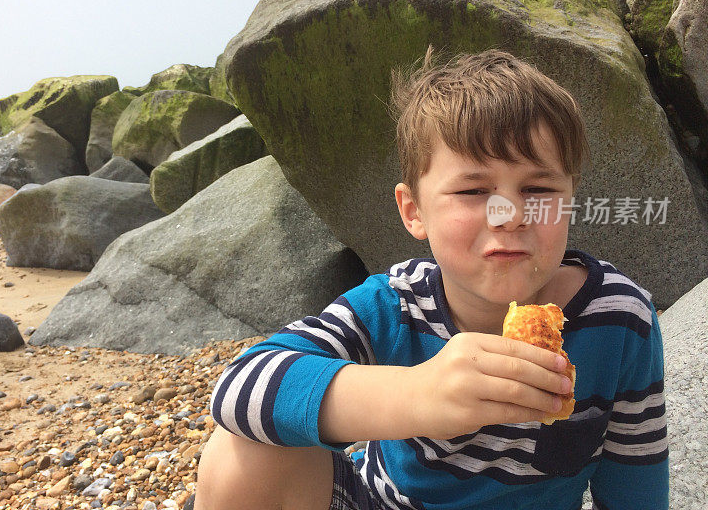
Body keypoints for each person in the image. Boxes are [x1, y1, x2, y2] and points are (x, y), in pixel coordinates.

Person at [193, 47, 668, 510]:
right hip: (384, 501)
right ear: (413, 211)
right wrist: (417, 394)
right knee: (241, 452)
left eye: (538, 188)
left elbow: (635, 477)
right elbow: (240, 385)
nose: (509, 214)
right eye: (473, 190)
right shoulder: (396, 305)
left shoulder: (619, 318)